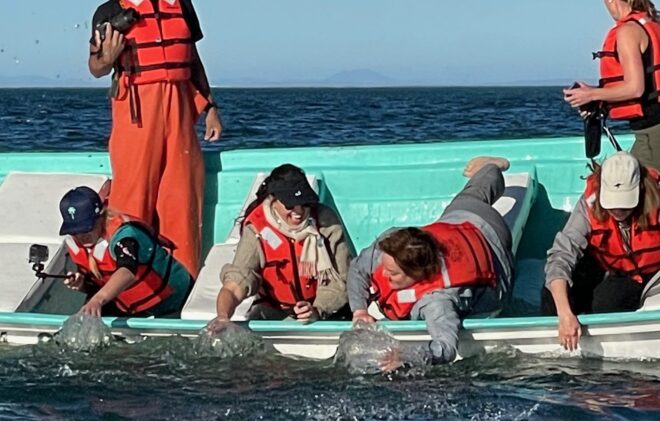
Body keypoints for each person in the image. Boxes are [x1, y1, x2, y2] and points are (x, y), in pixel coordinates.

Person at [88, 0, 223, 279]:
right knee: (133, 196)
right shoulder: (110, 11)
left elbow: (192, 60)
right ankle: (125, 277)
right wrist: (110, 55)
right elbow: (96, 67)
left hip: (179, 109)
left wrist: (209, 106)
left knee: (181, 195)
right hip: (136, 110)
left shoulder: (183, 5)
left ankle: (182, 279)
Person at [346, 157, 515, 369]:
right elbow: (358, 268)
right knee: (474, 192)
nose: (384, 276)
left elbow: (446, 347)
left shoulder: (437, 302)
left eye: (393, 273)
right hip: (464, 216)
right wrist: (359, 310)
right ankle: (493, 166)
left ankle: (494, 169)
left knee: (480, 202)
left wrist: (407, 356)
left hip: (495, 241)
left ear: (416, 274)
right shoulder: (391, 246)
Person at [542, 152, 660, 351]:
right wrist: (564, 313)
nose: (618, 211)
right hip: (606, 264)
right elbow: (561, 254)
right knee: (553, 296)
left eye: (625, 205)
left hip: (648, 274)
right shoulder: (589, 204)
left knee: (607, 301)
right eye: (612, 205)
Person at [563, 0, 660, 185]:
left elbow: (635, 88)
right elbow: (643, 88)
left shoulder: (627, 32)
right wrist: (596, 96)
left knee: (629, 203)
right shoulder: (654, 23)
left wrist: (592, 95)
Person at [206, 164, 353, 329]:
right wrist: (223, 316)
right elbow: (235, 284)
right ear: (273, 200)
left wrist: (317, 310)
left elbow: (342, 280)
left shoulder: (327, 224)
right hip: (273, 312)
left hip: (325, 312)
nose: (299, 212)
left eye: (304, 203)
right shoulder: (256, 230)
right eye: (290, 205)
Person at [58, 186, 194, 318]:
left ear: (101, 217)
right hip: (131, 308)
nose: (82, 236)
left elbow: (127, 271)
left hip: (173, 301)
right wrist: (82, 283)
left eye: (87, 228)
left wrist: (98, 299)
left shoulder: (125, 236)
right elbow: (97, 284)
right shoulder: (78, 245)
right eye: (75, 231)